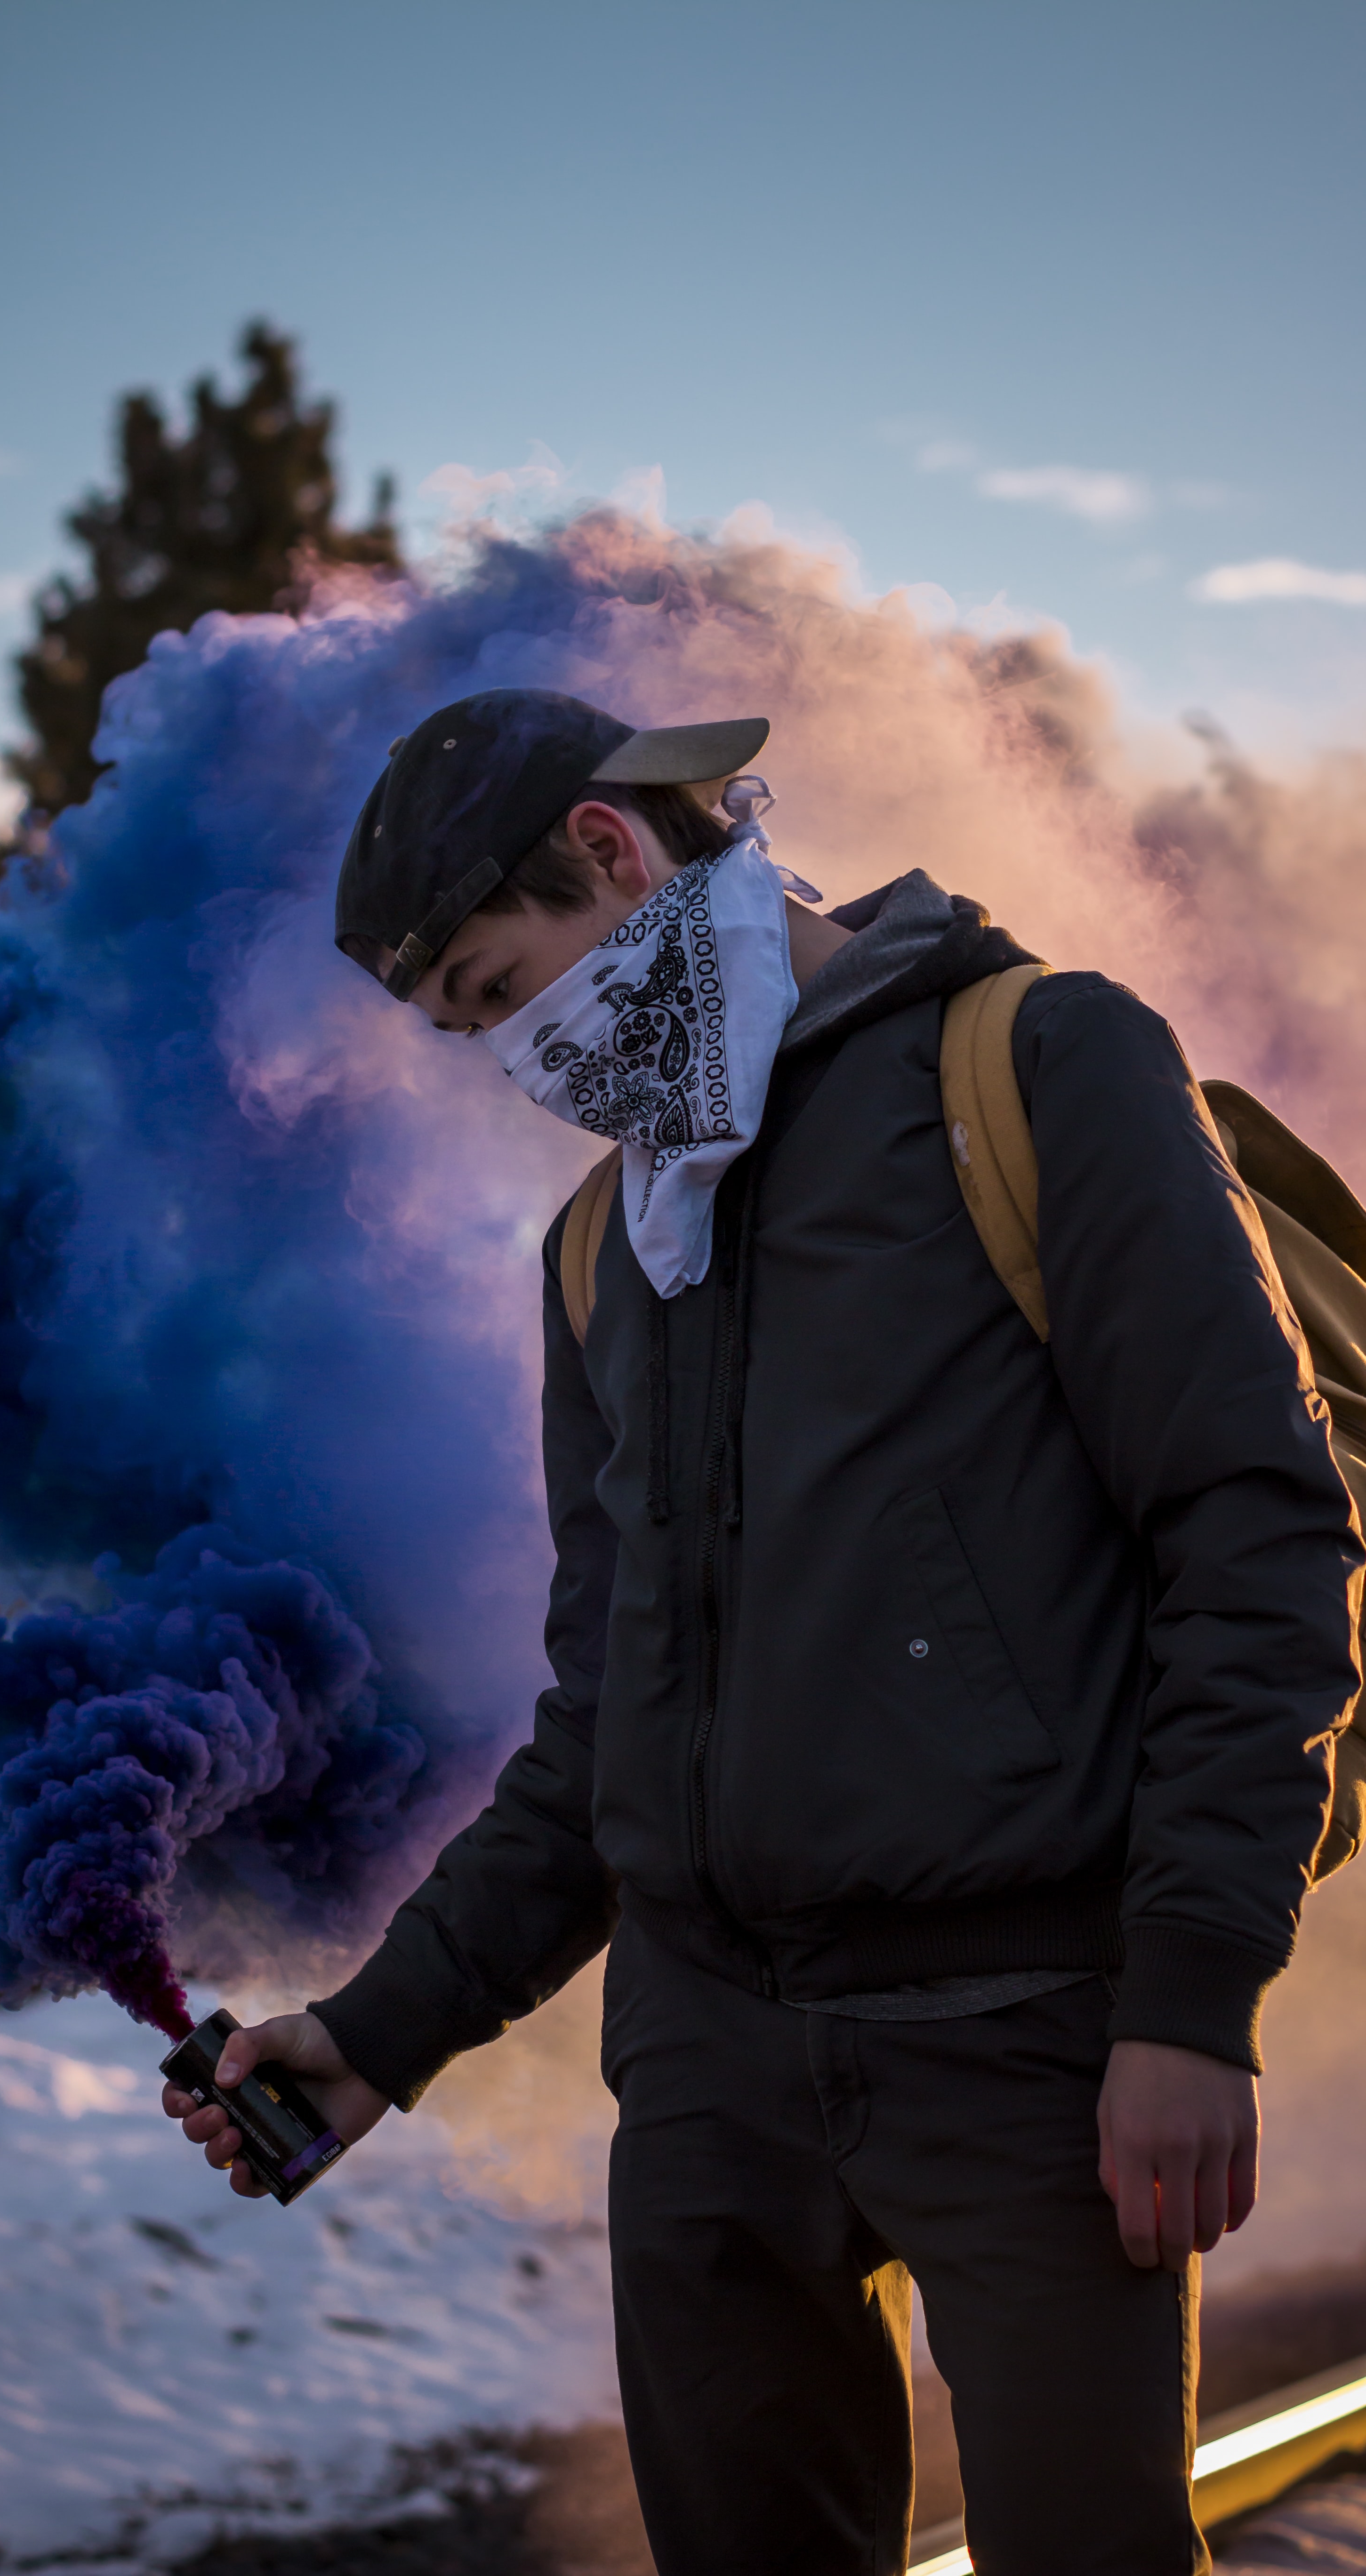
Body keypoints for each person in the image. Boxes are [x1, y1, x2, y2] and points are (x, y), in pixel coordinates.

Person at [164, 688, 1362, 2574]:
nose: (521, 1061)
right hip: (714, 2072)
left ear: (616, 850)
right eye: (471, 1033)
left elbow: (1267, 1541)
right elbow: (607, 1726)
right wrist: (378, 2035)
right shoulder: (598, 1254)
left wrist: (1194, 2000)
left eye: (504, 989)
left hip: (1033, 2043)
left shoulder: (1040, 1066)